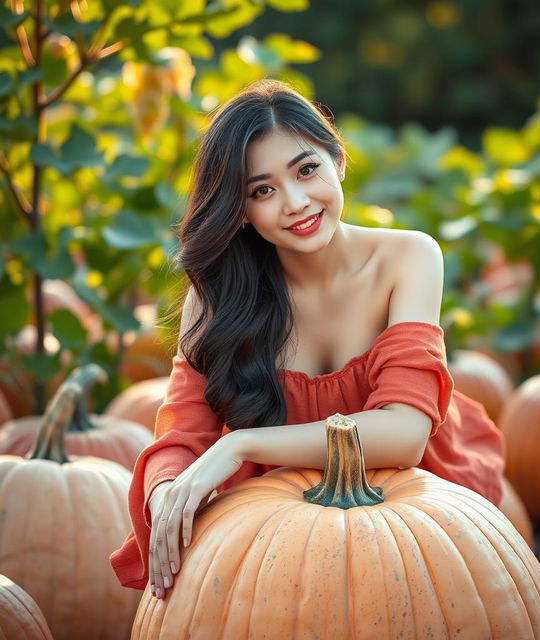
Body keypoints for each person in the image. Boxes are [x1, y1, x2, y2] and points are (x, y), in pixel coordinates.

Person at [109, 79, 505, 599]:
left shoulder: (408, 258)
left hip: (414, 517)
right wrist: (168, 496)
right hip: (278, 527)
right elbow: (182, 435)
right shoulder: (217, 298)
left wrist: (242, 444)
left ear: (337, 160)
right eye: (262, 190)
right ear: (241, 210)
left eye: (306, 169)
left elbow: (405, 434)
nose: (295, 202)